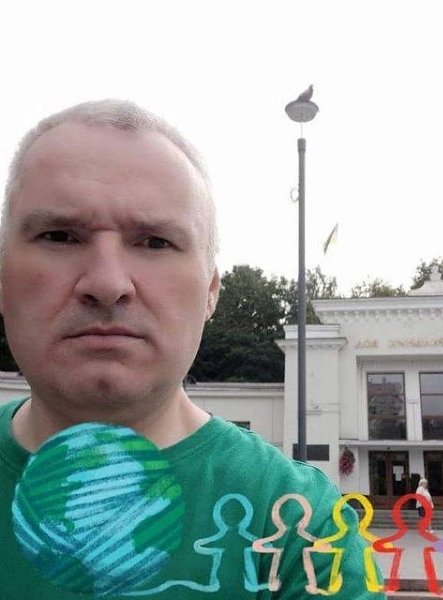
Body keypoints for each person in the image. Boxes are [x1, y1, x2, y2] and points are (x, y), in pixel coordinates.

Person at [0, 100, 384, 599]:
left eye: (155, 242)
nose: (108, 284)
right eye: (59, 236)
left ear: (210, 292)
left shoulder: (306, 533)